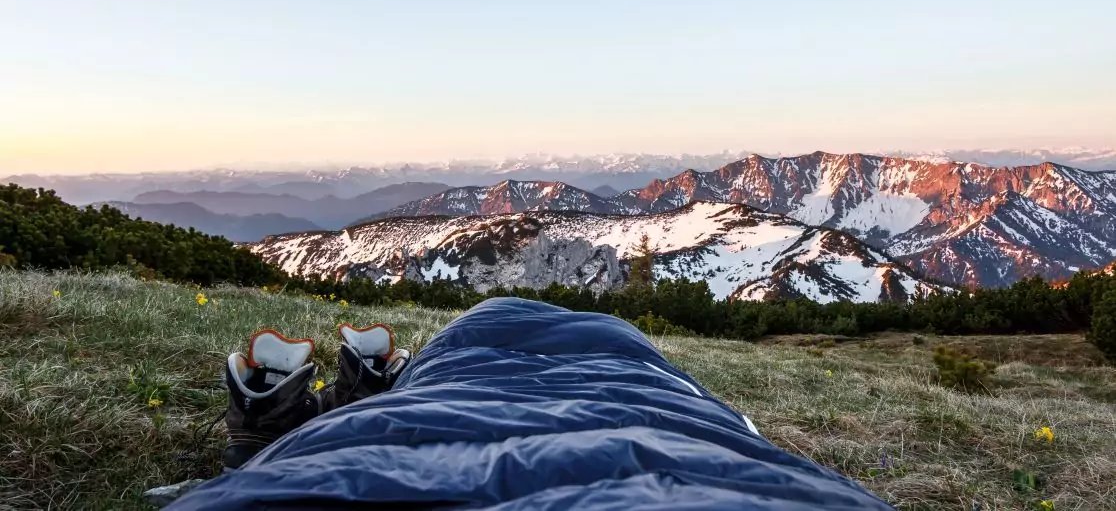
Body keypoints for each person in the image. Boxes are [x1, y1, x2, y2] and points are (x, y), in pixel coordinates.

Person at [170, 298, 894, 510]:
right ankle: (341, 408)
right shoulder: (637, 357)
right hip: (613, 360)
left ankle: (313, 415)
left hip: (479, 352)